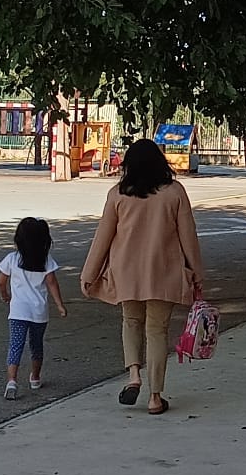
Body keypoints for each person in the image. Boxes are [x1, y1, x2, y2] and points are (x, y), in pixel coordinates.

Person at [82, 139, 206, 415]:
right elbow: (189, 237)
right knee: (157, 331)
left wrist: (89, 274)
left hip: (126, 272)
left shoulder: (117, 194)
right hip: (164, 272)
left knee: (131, 321)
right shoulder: (175, 192)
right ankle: (155, 397)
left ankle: (134, 375)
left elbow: (102, 238)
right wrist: (197, 272)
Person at [0, 216, 66, 401]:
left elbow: (1, 282)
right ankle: (35, 378)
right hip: (39, 311)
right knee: (36, 345)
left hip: (18, 311)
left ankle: (12, 381)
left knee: (15, 345)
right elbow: (52, 283)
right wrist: (59, 305)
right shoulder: (46, 260)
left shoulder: (12, 259)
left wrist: (5, 295)